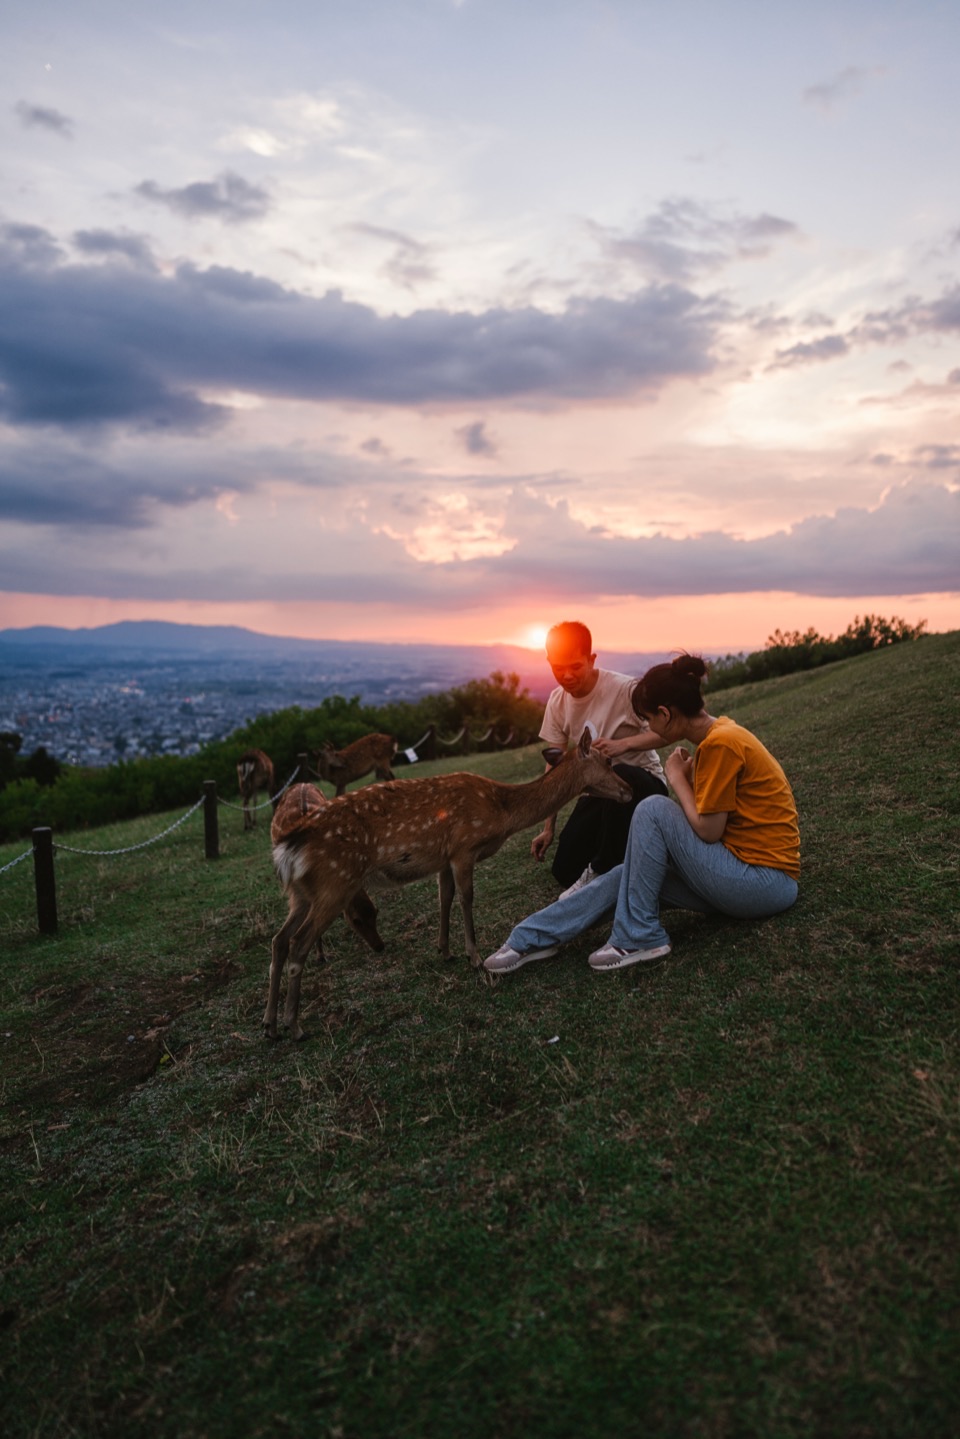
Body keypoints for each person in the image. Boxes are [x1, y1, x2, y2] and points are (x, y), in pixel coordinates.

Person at [485, 653, 800, 974]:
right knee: (627, 874)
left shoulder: (722, 744)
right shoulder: (716, 739)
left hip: (764, 884)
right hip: (734, 874)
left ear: (665, 714)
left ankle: (639, 935)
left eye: (648, 719)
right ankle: (527, 939)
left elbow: (709, 831)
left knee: (653, 808)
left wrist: (676, 778)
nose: (648, 727)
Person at [532, 620, 667, 899]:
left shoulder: (625, 689)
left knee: (626, 774)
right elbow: (555, 765)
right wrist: (548, 828)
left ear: (591, 659)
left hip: (643, 784)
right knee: (564, 869)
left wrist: (622, 745)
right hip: (601, 793)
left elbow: (666, 731)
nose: (567, 675)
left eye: (575, 666)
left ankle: (604, 870)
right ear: (548, 662)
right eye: (558, 667)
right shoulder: (557, 702)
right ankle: (620, 863)